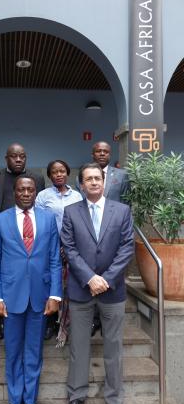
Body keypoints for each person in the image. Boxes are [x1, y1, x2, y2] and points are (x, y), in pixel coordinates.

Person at [61, 162, 134, 404]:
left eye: (97, 178)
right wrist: (90, 278)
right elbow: (68, 247)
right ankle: (76, 397)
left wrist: (107, 278)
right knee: (79, 347)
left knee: (113, 349)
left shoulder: (122, 211)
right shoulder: (71, 212)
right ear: (81, 184)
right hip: (82, 289)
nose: (93, 182)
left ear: (103, 182)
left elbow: (126, 246)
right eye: (88, 179)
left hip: (112, 291)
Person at [0, 175, 62, 404]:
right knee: (13, 352)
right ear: (15, 192)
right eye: (21, 189)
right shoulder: (0, 220)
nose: (26, 193)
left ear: (36, 192)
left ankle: (30, 402)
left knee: (34, 352)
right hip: (10, 298)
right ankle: (14, 401)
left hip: (40, 297)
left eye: (31, 189)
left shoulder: (48, 218)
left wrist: (55, 294)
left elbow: (54, 259)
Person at [76, 141, 130, 336]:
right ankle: (94, 321)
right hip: (89, 237)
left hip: (114, 237)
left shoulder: (122, 176)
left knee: (111, 282)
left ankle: (104, 319)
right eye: (98, 151)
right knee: (90, 279)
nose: (101, 154)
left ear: (110, 153)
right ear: (92, 153)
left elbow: (127, 202)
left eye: (105, 151)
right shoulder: (84, 174)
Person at [0, 143, 45, 339]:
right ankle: (1, 322)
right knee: (6, 279)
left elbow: (38, 207)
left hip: (30, 235)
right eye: (14, 156)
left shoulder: (37, 178)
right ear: (6, 158)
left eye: (22, 156)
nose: (18, 159)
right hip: (6, 234)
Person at [35, 159, 82, 340]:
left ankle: (66, 323)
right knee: (50, 285)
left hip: (72, 248)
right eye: (55, 172)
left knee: (68, 286)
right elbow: (39, 223)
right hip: (49, 248)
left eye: (62, 171)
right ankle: (50, 322)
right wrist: (55, 247)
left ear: (68, 173)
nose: (59, 174)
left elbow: (81, 223)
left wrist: (69, 247)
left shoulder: (77, 196)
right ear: (50, 175)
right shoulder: (43, 196)